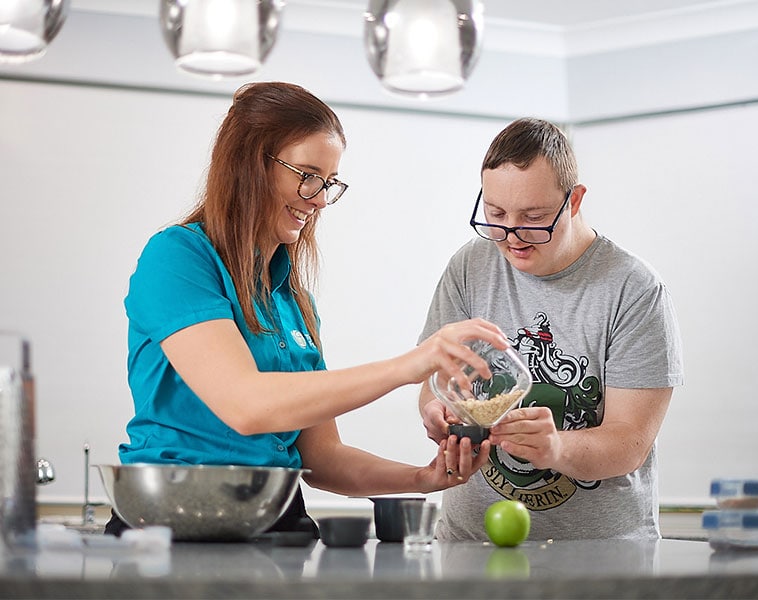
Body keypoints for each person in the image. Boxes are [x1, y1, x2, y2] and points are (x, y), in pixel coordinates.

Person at [107, 81, 503, 536]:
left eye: (329, 183)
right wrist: (408, 366)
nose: (318, 199)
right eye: (308, 175)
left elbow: (322, 458)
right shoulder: (177, 258)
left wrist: (423, 478)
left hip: (274, 519)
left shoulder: (294, 301)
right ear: (251, 164)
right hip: (170, 522)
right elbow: (246, 405)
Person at [417, 117, 684, 541]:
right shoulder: (469, 267)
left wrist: (555, 448)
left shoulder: (634, 289)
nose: (512, 236)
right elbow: (436, 383)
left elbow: (630, 443)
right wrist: (436, 412)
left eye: (533, 217)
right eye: (495, 214)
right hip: (470, 545)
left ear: (574, 201)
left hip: (600, 559)